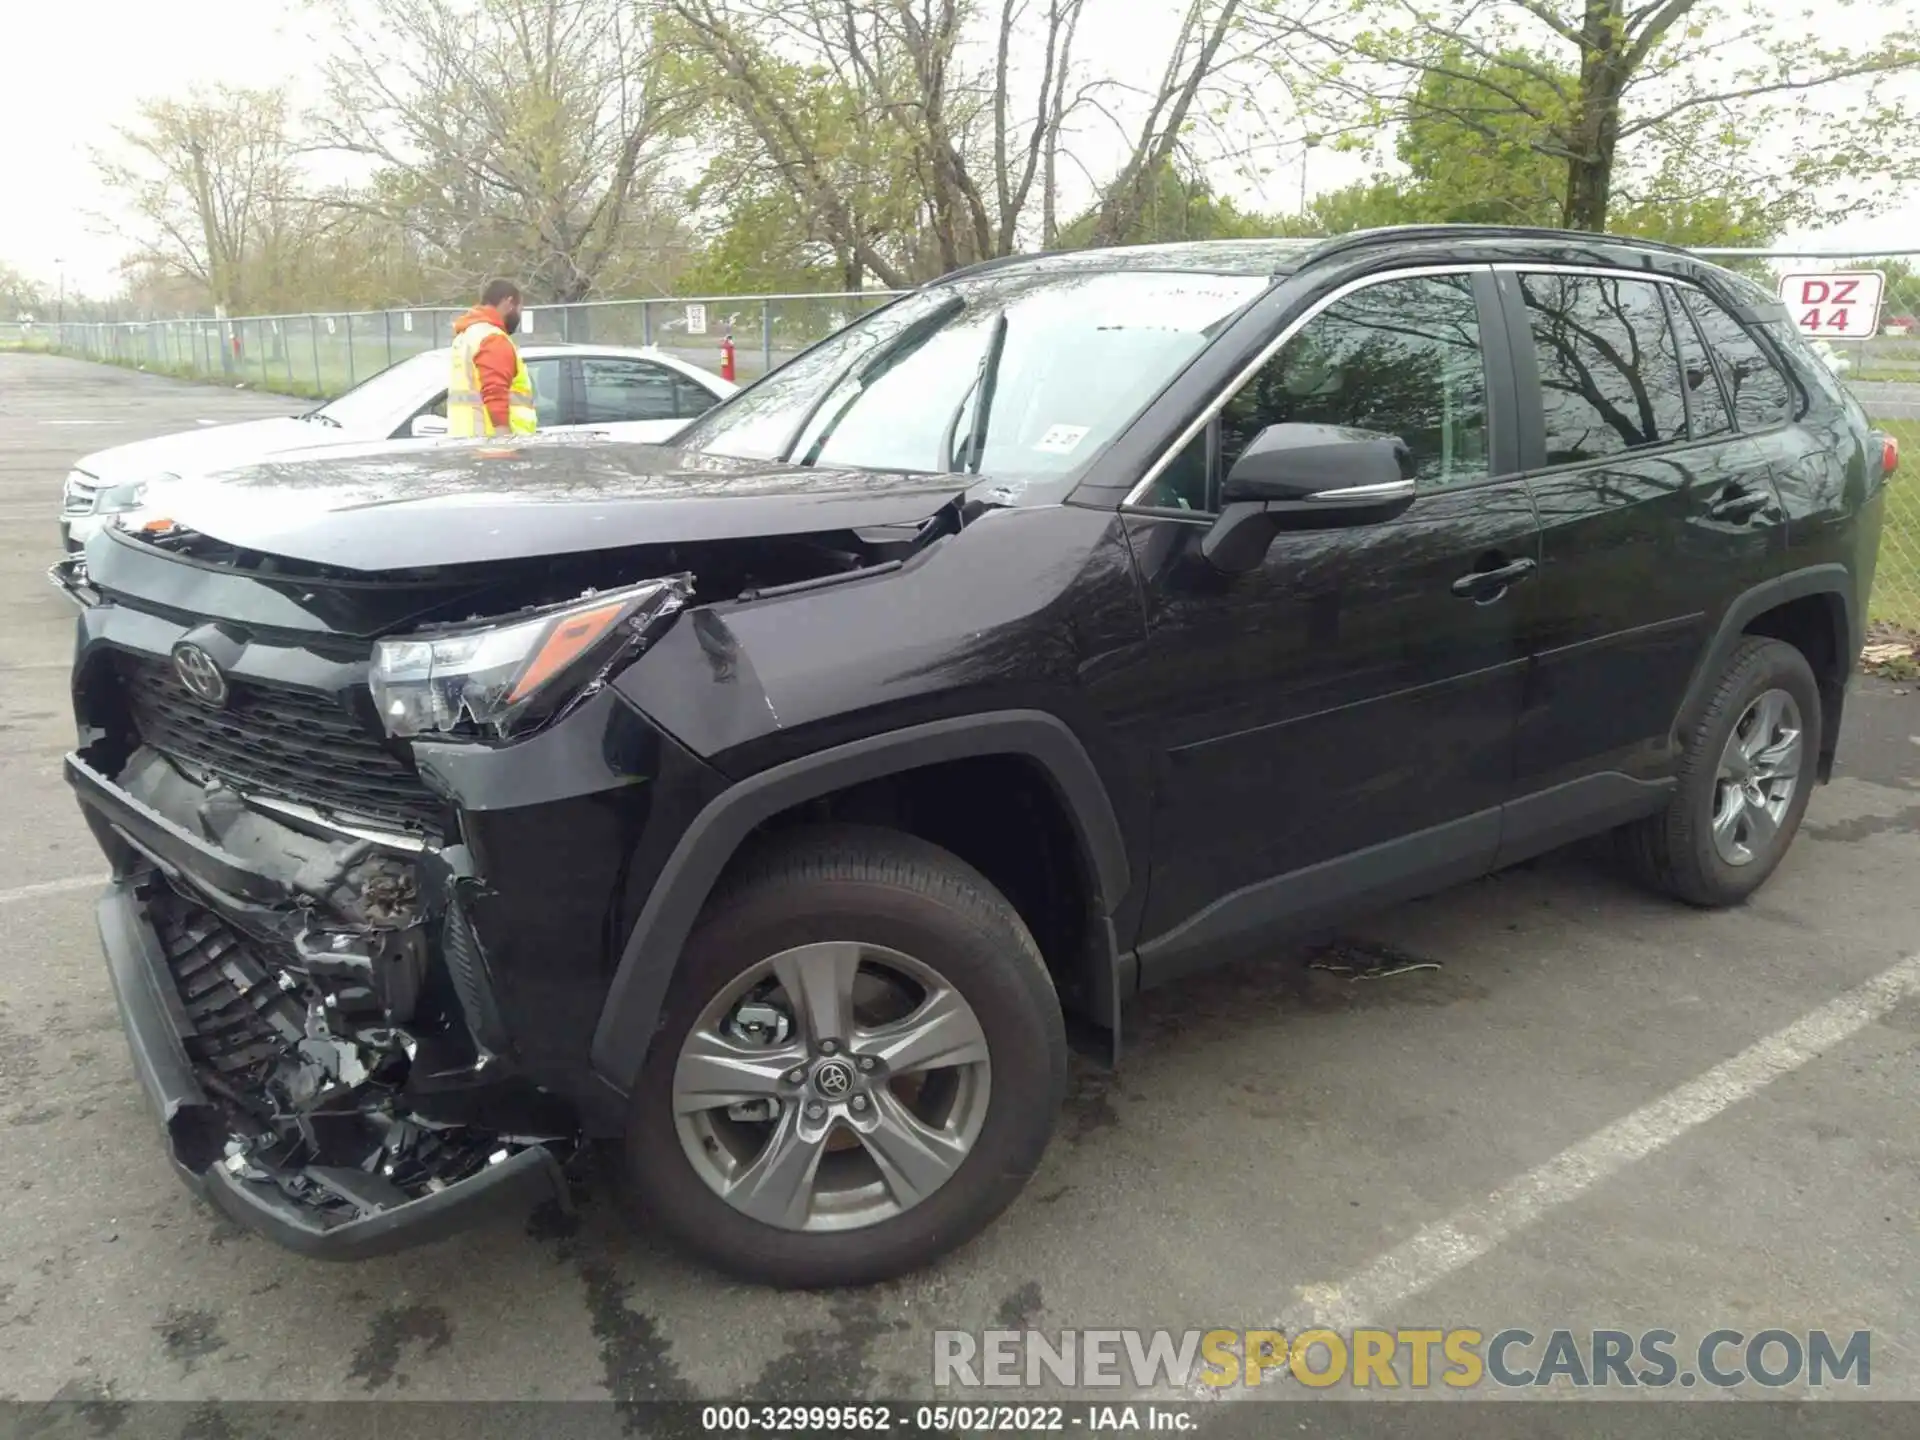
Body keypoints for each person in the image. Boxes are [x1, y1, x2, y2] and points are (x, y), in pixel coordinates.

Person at [447, 280, 538, 437]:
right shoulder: (493, 338)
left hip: (465, 442)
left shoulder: (467, 336)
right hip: (491, 447)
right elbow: (495, 394)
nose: (519, 315)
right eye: (519, 309)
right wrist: (504, 442)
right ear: (509, 302)